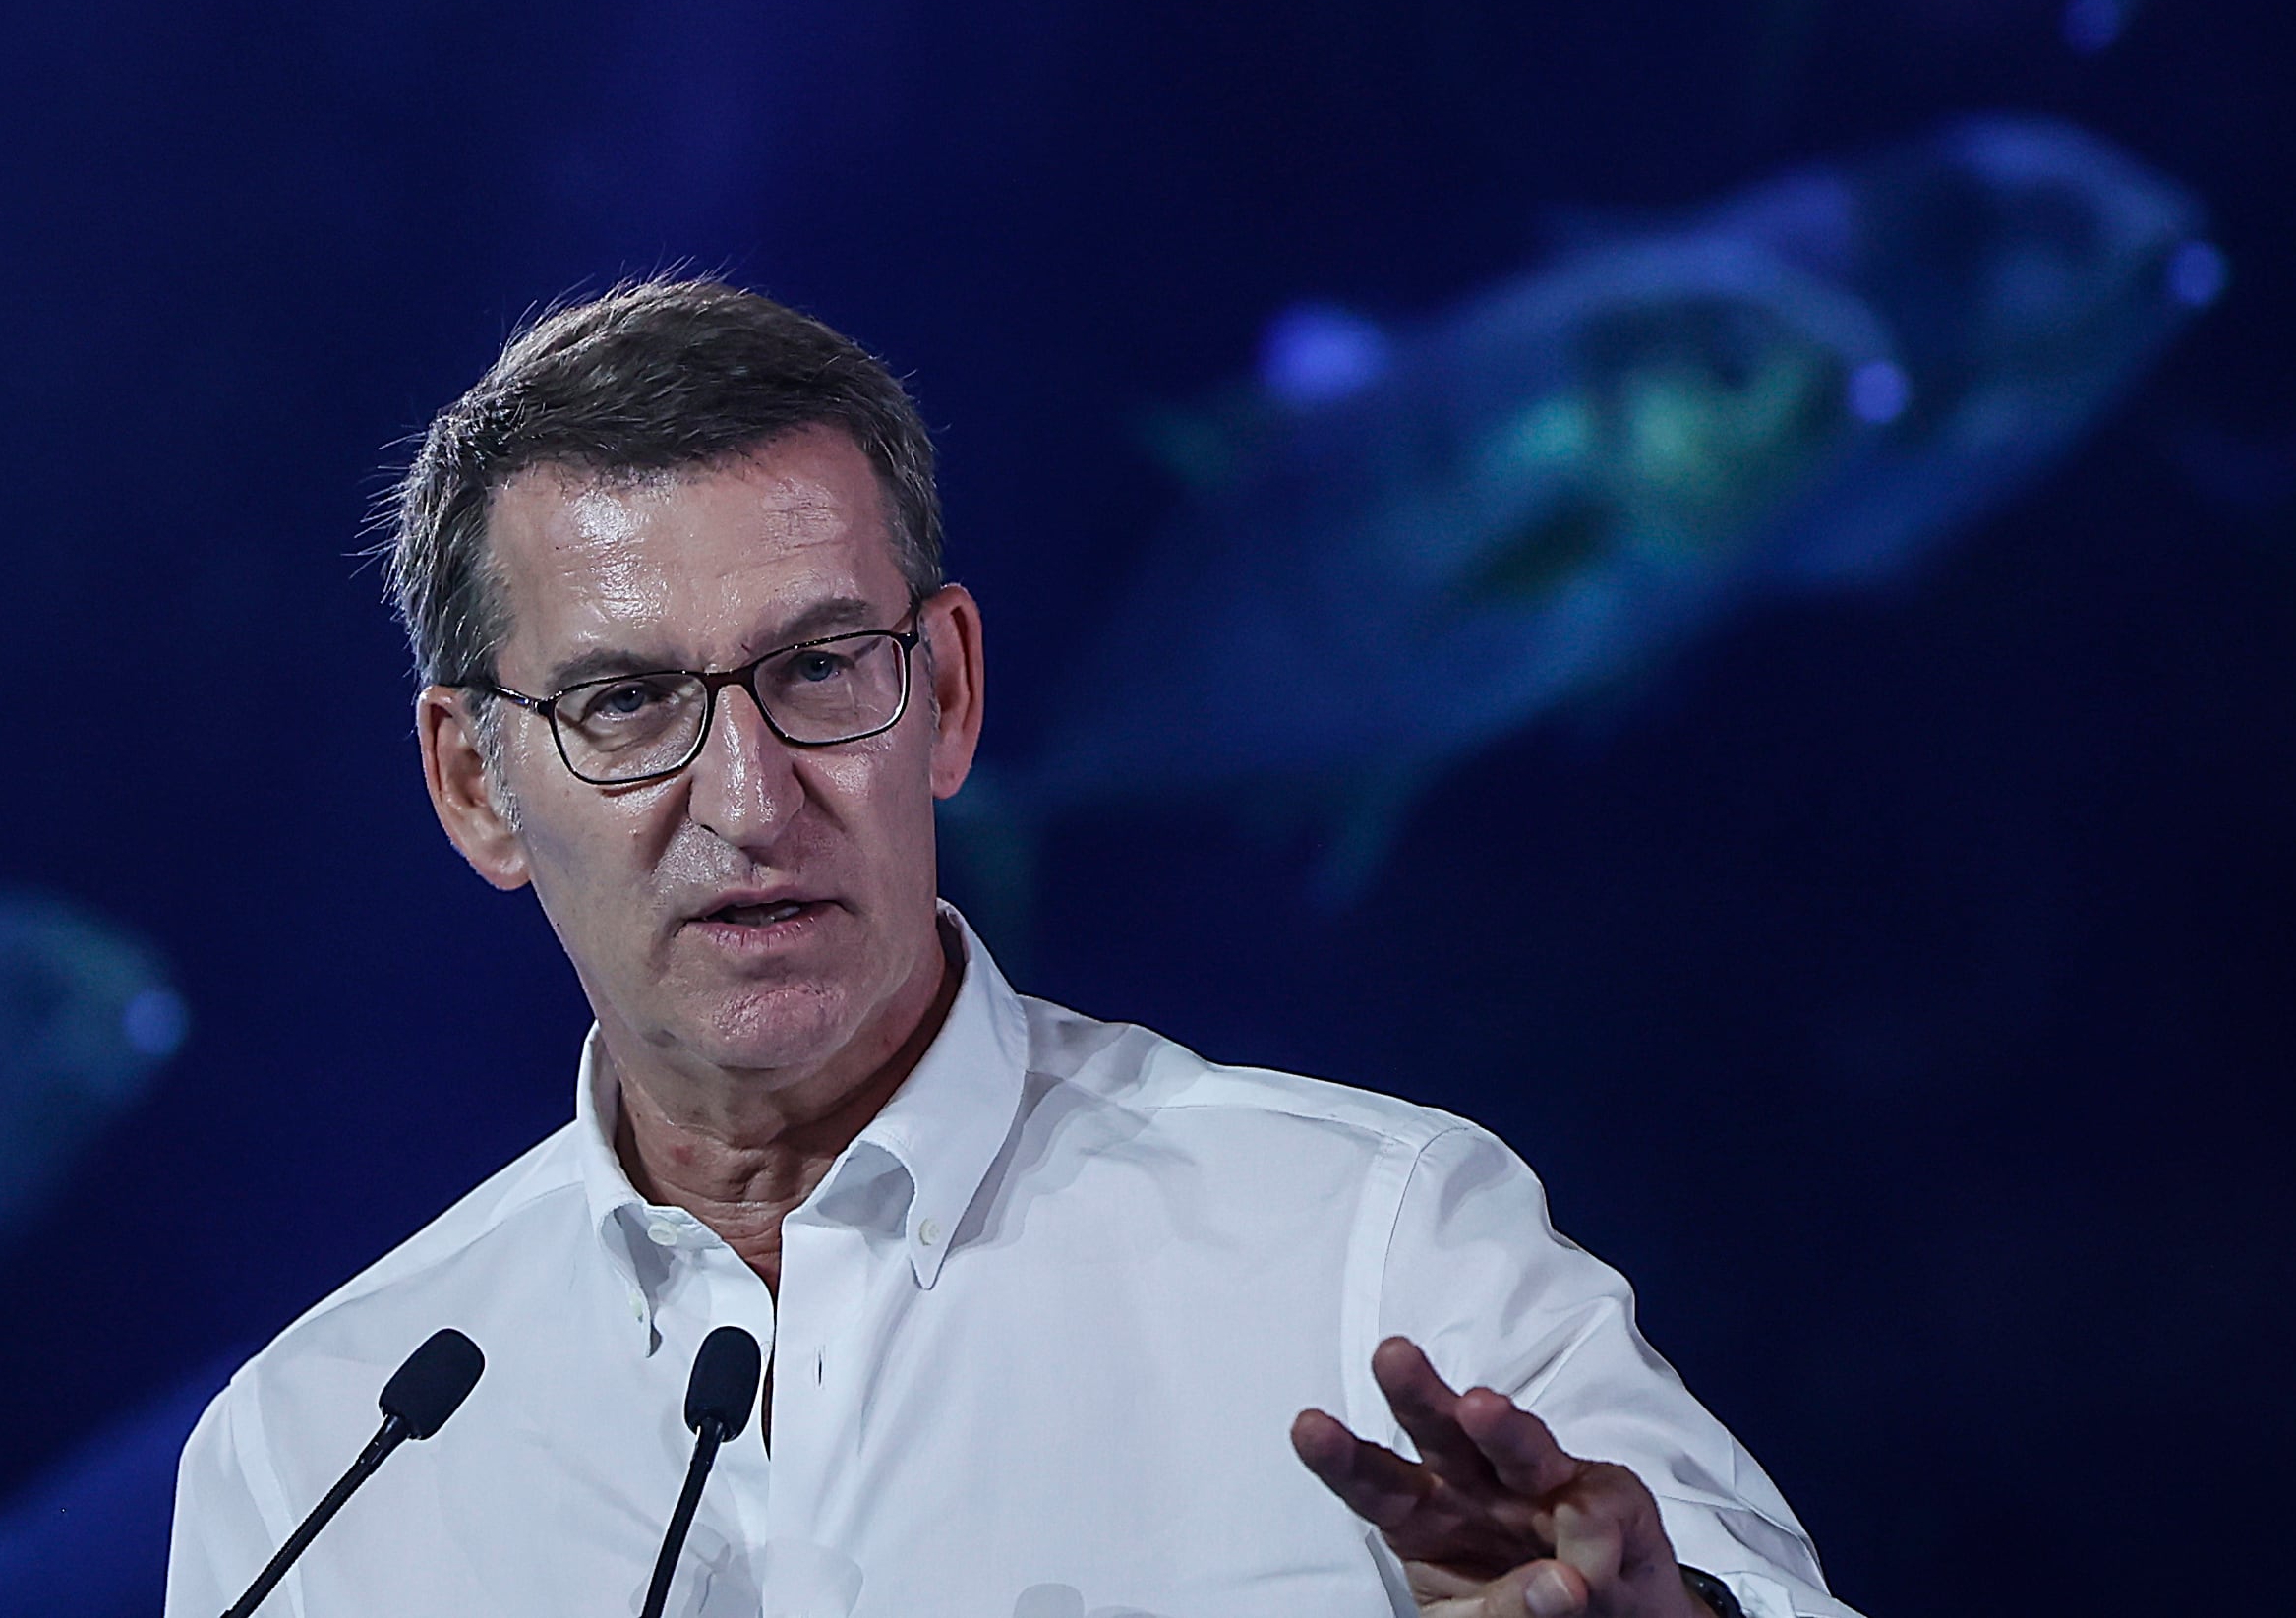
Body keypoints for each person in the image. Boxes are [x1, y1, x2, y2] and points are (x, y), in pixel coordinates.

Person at [166, 278, 1854, 1618]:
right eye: (627, 701)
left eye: (823, 668)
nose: (748, 798)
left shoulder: (1378, 1246)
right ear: (474, 782)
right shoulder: (330, 1441)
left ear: (952, 694)